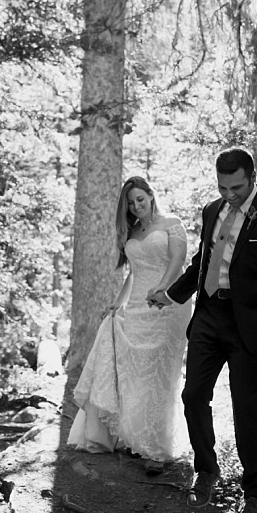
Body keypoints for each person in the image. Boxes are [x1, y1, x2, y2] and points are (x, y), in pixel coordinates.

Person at [149, 147, 257, 513]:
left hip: (248, 325)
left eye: (236, 186)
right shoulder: (212, 210)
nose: (229, 194)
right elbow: (205, 258)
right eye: (222, 186)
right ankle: (206, 471)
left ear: (252, 176)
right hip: (209, 316)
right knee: (193, 395)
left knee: (247, 408)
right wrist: (172, 294)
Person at [68, 176, 192, 469]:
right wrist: (118, 303)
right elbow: (133, 274)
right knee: (135, 375)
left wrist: (162, 289)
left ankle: (157, 450)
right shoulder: (132, 231)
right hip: (137, 308)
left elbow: (178, 262)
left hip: (169, 306)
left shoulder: (172, 224)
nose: (137, 206)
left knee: (160, 374)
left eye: (140, 199)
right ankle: (136, 438)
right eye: (131, 203)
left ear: (151, 195)